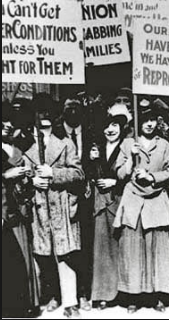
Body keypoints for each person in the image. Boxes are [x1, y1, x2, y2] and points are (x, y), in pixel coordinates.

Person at [23, 95, 84, 318]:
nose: (44, 115)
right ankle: (52, 295)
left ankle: (70, 301)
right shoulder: (27, 144)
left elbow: (79, 174)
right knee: (44, 255)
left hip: (61, 208)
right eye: (40, 111)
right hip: (39, 209)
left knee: (65, 255)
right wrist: (31, 181)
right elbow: (21, 174)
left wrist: (54, 174)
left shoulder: (65, 143)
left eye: (47, 111)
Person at [113, 104, 169, 313]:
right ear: (138, 122)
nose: (149, 124)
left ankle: (157, 295)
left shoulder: (164, 144)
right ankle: (134, 295)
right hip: (133, 200)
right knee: (133, 249)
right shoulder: (127, 143)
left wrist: (152, 177)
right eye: (145, 120)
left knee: (157, 249)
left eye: (152, 120)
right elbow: (120, 175)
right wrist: (131, 157)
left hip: (156, 199)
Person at [86, 106, 130, 310]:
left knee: (125, 248)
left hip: (123, 200)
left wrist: (115, 183)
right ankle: (104, 294)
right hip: (102, 203)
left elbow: (133, 174)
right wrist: (92, 160)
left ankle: (126, 293)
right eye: (107, 126)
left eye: (115, 125)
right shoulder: (98, 147)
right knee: (103, 249)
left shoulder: (128, 147)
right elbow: (89, 175)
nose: (110, 130)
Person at [52, 95, 93, 311]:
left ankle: (84, 293)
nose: (74, 113)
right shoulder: (56, 135)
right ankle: (61, 295)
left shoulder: (90, 133)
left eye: (77, 108)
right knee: (65, 248)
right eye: (70, 108)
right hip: (64, 199)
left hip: (86, 200)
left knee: (84, 247)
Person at [2, 101, 37, 318]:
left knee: (19, 260)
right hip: (3, 212)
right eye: (1, 120)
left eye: (7, 120)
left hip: (17, 212)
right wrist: (5, 176)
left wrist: (27, 177)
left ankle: (22, 304)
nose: (5, 125)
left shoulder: (16, 150)